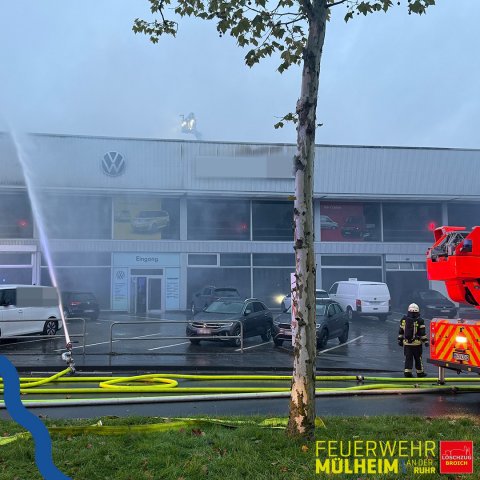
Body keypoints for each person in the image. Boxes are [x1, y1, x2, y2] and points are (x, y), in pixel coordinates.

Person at [398, 303, 429, 377]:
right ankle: (420, 372)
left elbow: (401, 331)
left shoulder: (403, 320)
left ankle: (407, 372)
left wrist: (400, 340)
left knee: (408, 358)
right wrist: (426, 341)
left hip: (407, 344)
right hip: (417, 344)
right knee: (418, 358)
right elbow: (422, 333)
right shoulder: (420, 320)